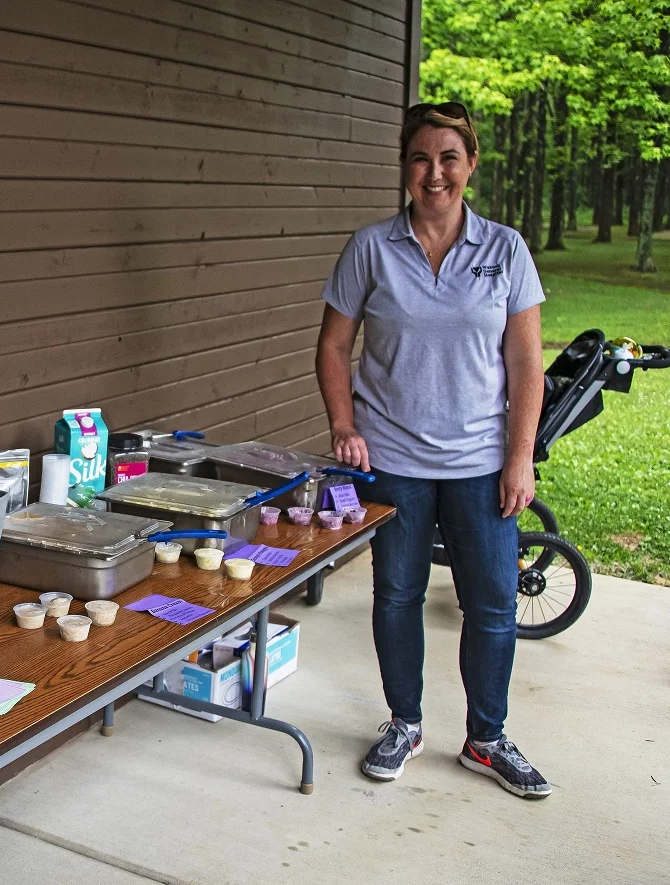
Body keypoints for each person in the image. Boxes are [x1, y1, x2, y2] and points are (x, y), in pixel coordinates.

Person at [316, 102, 551, 799]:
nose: (435, 172)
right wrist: (343, 423)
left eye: (449, 157)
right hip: (392, 459)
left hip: (482, 462)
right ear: (405, 168)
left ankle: (486, 738)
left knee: (492, 604)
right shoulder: (370, 248)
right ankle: (405, 721)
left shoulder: (506, 249)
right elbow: (333, 345)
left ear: (471, 165)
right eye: (421, 158)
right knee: (396, 594)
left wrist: (520, 457)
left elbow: (527, 364)